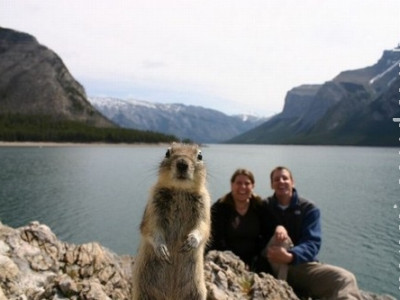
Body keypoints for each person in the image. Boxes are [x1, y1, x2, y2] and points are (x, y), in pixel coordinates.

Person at [264, 166, 362, 300]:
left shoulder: (308, 209)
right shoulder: (264, 206)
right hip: (271, 264)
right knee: (281, 240)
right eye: (276, 179)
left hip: (300, 266)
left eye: (285, 178)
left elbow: (312, 243)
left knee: (345, 279)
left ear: (293, 182)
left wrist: (290, 256)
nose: (281, 181)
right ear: (271, 185)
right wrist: (278, 228)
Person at [207, 168, 272, 272]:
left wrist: (254, 259)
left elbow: (268, 234)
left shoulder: (260, 207)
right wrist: (235, 261)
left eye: (247, 183)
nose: (243, 187)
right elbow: (216, 240)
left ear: (253, 186)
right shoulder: (220, 208)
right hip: (225, 258)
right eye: (239, 183)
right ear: (232, 185)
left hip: (255, 259)